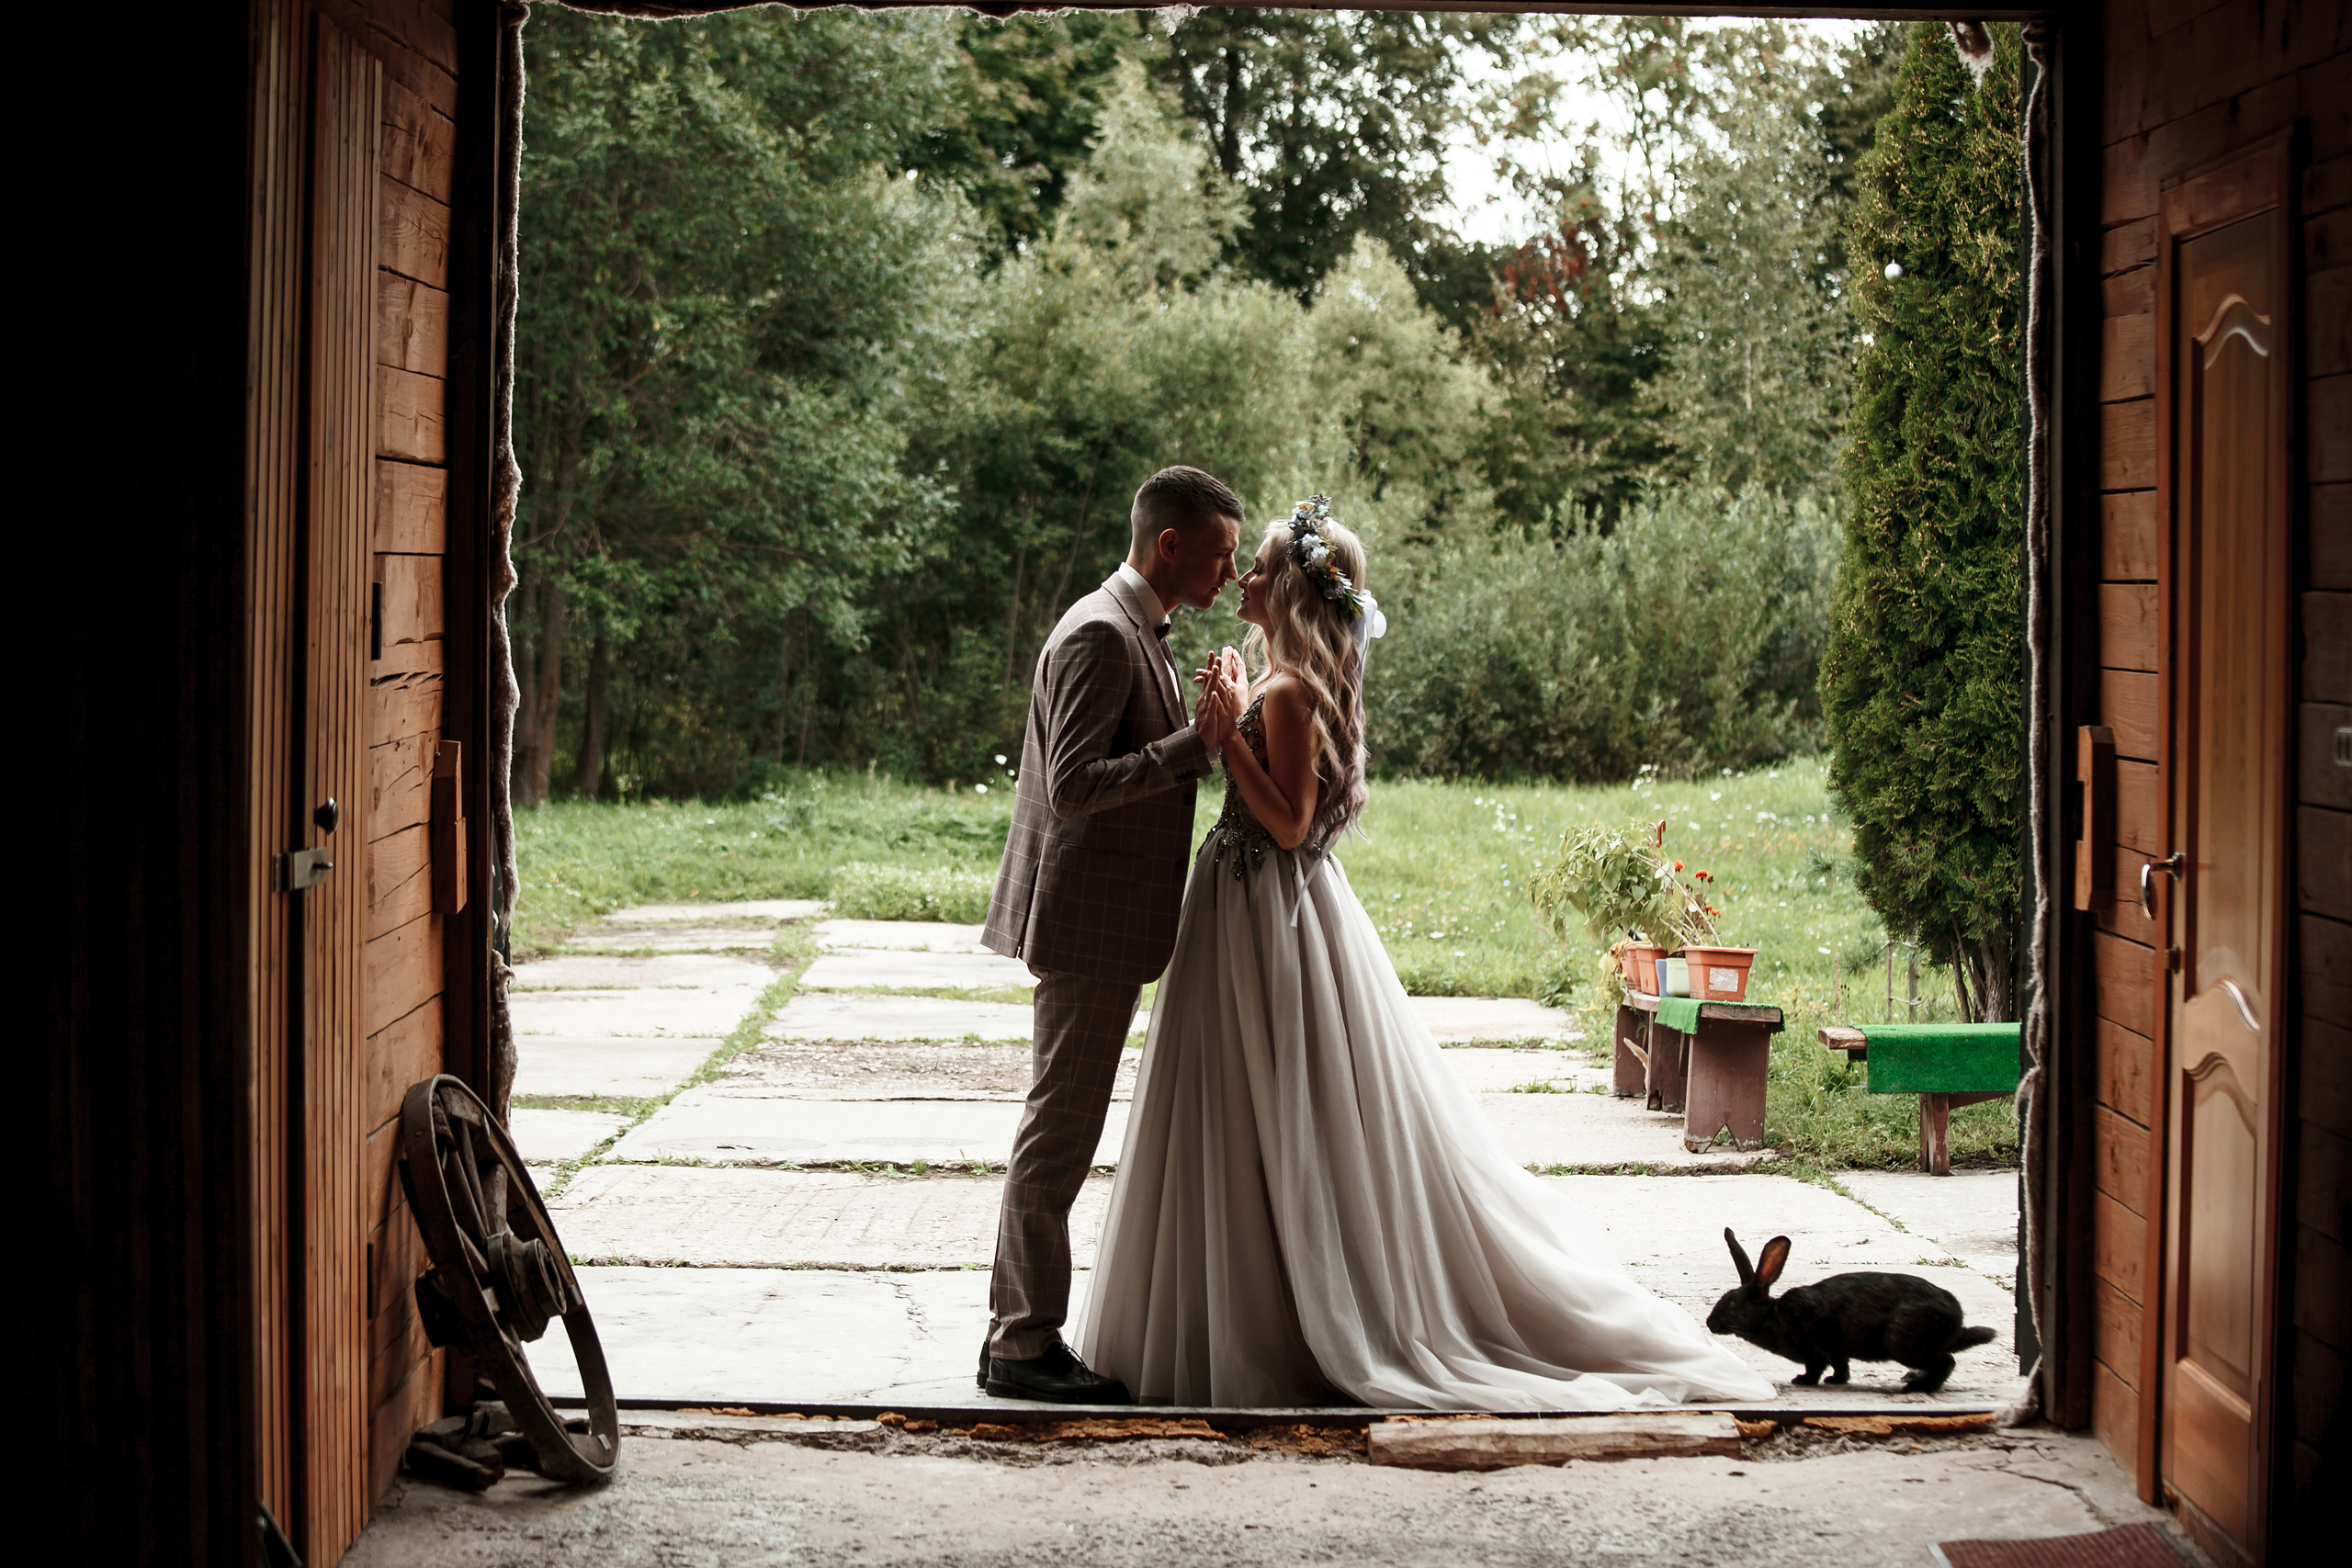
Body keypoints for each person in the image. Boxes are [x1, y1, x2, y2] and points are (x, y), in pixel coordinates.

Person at [1076, 497, 1776, 1410]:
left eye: (1255, 569)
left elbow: (1286, 825)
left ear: (1285, 590)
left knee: (1271, 1101)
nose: (1240, 576)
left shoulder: (1285, 692)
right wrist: (1232, 715)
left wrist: (1225, 735)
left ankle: (1278, 1322)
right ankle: (1259, 1302)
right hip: (1245, 907)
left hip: (1265, 909)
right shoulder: (1280, 681)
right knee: (1239, 1104)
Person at [977, 465, 1244, 1403]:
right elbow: (1074, 784)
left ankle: (1020, 1335)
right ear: (1168, 545)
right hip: (1085, 927)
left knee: (1062, 1132)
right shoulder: (1100, 631)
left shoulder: (1141, 631)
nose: (1226, 575)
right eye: (1218, 556)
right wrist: (1197, 746)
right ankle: (1018, 1345)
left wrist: (1199, 731)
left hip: (1103, 923)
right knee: (1056, 1138)